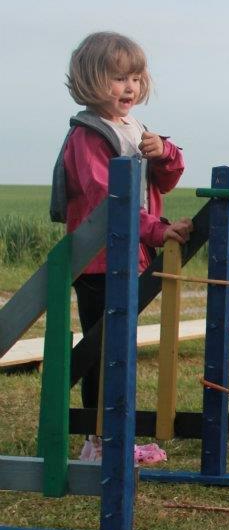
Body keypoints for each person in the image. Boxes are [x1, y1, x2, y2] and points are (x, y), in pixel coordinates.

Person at [50, 31, 192, 460]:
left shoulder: (135, 129)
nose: (129, 87)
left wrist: (163, 152)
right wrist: (155, 230)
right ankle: (99, 442)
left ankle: (116, 436)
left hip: (131, 256)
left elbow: (162, 180)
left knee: (120, 351)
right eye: (117, 79)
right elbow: (106, 202)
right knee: (102, 354)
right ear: (91, 81)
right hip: (98, 263)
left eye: (134, 77)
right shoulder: (87, 137)